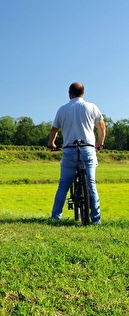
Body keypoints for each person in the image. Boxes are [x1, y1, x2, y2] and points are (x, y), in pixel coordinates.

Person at [48, 82, 106, 224]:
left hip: (69, 150)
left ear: (69, 93)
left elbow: (54, 130)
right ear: (83, 93)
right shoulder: (92, 107)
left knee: (64, 185)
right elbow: (102, 127)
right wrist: (100, 143)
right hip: (88, 149)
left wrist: (51, 144)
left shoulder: (62, 109)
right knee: (91, 184)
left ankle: (55, 217)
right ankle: (96, 220)